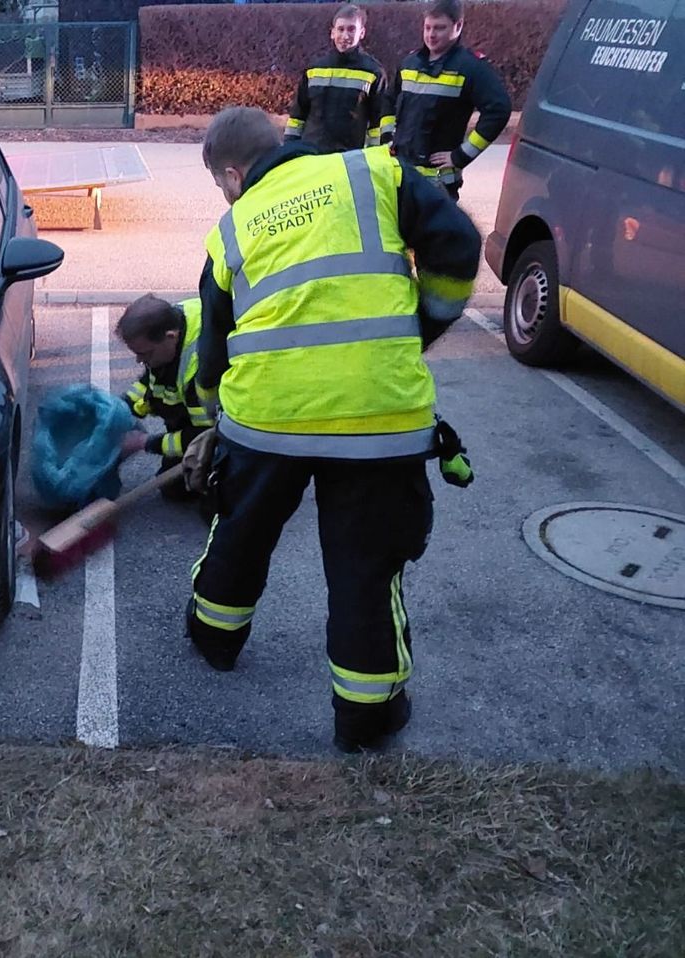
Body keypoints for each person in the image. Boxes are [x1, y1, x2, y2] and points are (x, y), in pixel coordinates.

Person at [189, 106, 481, 752]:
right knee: (365, 570)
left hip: (266, 424)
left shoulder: (230, 230)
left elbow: (212, 352)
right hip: (378, 423)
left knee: (240, 534)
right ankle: (365, 717)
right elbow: (458, 246)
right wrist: (421, 327)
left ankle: (213, 638)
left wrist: (214, 421)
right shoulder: (374, 173)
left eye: (221, 185)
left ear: (234, 175)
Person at [383, 0, 511, 199]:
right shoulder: (409, 63)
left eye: (439, 28)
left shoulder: (471, 67)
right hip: (400, 174)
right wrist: (387, 138)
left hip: (438, 184)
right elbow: (388, 100)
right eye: (427, 27)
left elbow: (499, 110)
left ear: (458, 26)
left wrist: (461, 155)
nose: (431, 35)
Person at [117, 295, 214, 502]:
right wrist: (120, 409)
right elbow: (153, 380)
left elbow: (204, 436)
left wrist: (145, 443)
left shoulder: (202, 369)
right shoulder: (171, 323)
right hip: (196, 415)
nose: (139, 360)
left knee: (200, 497)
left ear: (171, 337)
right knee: (173, 489)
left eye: (145, 353)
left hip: (225, 429)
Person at [284, 4, 389, 152]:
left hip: (348, 160)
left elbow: (377, 123)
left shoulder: (373, 72)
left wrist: (372, 156)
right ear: (332, 33)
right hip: (311, 155)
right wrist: (289, 148)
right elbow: (297, 116)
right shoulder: (315, 69)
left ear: (362, 33)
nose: (345, 36)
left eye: (351, 29)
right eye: (341, 29)